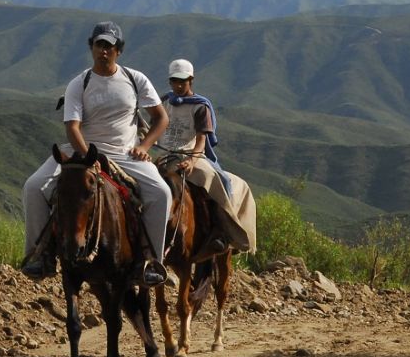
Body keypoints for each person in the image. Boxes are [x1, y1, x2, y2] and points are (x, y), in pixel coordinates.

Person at [21, 21, 172, 286]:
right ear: (91, 47)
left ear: (119, 51)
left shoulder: (135, 80)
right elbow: (72, 128)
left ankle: (150, 261)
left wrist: (144, 146)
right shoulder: (79, 83)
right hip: (83, 152)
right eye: (100, 45)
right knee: (33, 187)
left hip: (126, 153)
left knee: (161, 193)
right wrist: (89, 158)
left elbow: (161, 118)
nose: (104, 51)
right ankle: (39, 255)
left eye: (110, 46)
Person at [157, 58, 256, 261]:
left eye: (182, 81)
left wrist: (192, 162)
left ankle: (222, 231)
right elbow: (155, 127)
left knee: (214, 179)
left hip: (189, 154)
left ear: (191, 80)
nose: (178, 85)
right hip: (164, 154)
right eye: (174, 81)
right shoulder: (164, 101)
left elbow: (201, 140)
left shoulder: (200, 107)